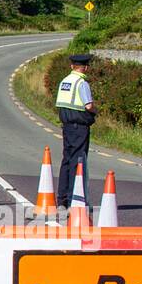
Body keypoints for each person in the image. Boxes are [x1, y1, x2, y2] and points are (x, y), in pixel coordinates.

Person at [55, 53, 97, 208]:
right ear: (85, 67)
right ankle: (76, 199)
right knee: (78, 162)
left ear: (72, 66)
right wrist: (96, 111)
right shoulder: (82, 83)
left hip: (66, 125)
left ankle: (62, 200)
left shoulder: (65, 81)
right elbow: (89, 106)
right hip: (79, 126)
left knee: (66, 160)